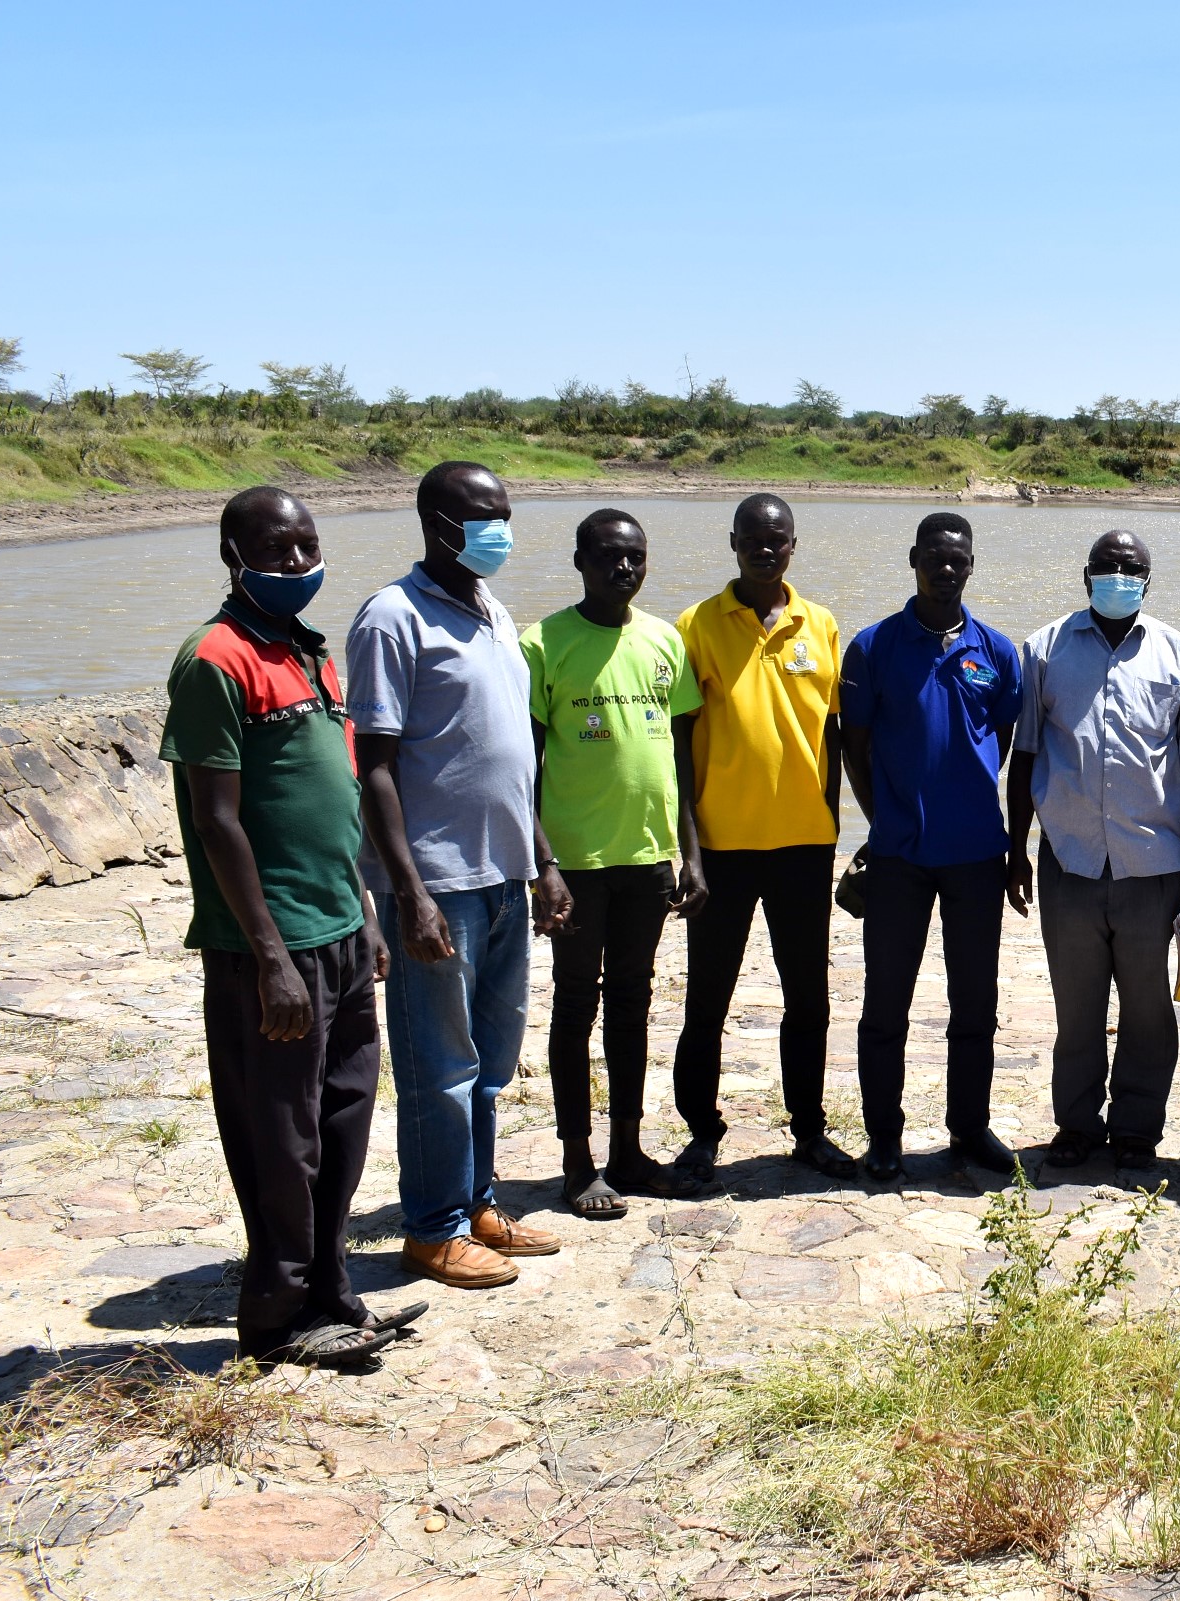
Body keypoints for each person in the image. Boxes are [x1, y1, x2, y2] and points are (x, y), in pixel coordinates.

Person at [161, 487, 422, 1368]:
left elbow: (332, 801)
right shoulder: (215, 659)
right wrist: (271, 954)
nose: (297, 562)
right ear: (232, 555)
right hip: (269, 948)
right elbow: (218, 819)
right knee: (282, 1137)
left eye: (307, 544)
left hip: (341, 932)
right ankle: (274, 1315)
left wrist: (364, 912)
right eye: (275, 549)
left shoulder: (311, 653)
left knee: (344, 1119)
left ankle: (331, 1289)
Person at [350, 461, 570, 1289]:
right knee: (438, 1065)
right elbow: (373, 762)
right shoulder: (391, 618)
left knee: (490, 1059)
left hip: (504, 873)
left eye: (507, 514)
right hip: (437, 882)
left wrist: (543, 859)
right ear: (437, 523)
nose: (500, 530)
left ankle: (477, 1201)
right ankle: (432, 1227)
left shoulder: (494, 611)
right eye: (485, 516)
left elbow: (510, 753)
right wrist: (406, 891)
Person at [1007, 531, 1180, 1172]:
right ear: (1086, 574)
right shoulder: (1043, 649)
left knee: (1147, 1008)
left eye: (1132, 569)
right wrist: (1017, 848)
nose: (1119, 577)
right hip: (1068, 859)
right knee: (1076, 1005)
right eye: (1108, 567)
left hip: (1152, 864)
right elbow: (1027, 756)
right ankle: (1075, 1124)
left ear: (1148, 581)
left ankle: (1135, 1129)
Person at [522, 509, 706, 1220]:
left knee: (632, 1002)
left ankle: (628, 1149)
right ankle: (577, 1159)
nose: (623, 568)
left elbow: (679, 757)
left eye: (635, 556)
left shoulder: (665, 641)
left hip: (647, 858)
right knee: (576, 1005)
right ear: (579, 562)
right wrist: (543, 865)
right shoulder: (544, 645)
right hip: (576, 861)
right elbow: (524, 767)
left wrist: (689, 851)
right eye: (608, 557)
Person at [672, 494, 852, 1183]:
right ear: (733, 541)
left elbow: (832, 738)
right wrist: (687, 847)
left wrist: (832, 826)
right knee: (707, 999)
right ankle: (701, 1131)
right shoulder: (697, 625)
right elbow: (679, 745)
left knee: (808, 999)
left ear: (793, 546)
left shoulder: (822, 623)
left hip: (805, 848)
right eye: (753, 538)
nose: (765, 549)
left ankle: (809, 1130)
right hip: (721, 849)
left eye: (777, 540)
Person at [840, 512, 1022, 1183]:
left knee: (975, 1002)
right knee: (886, 1003)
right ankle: (883, 1135)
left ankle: (968, 1128)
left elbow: (1002, 745)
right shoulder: (873, 646)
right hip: (898, 856)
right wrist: (884, 815)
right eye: (935, 558)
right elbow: (853, 745)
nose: (947, 569)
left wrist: (963, 797)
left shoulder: (997, 652)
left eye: (959, 560)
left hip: (976, 853)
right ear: (913, 557)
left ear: (972, 565)